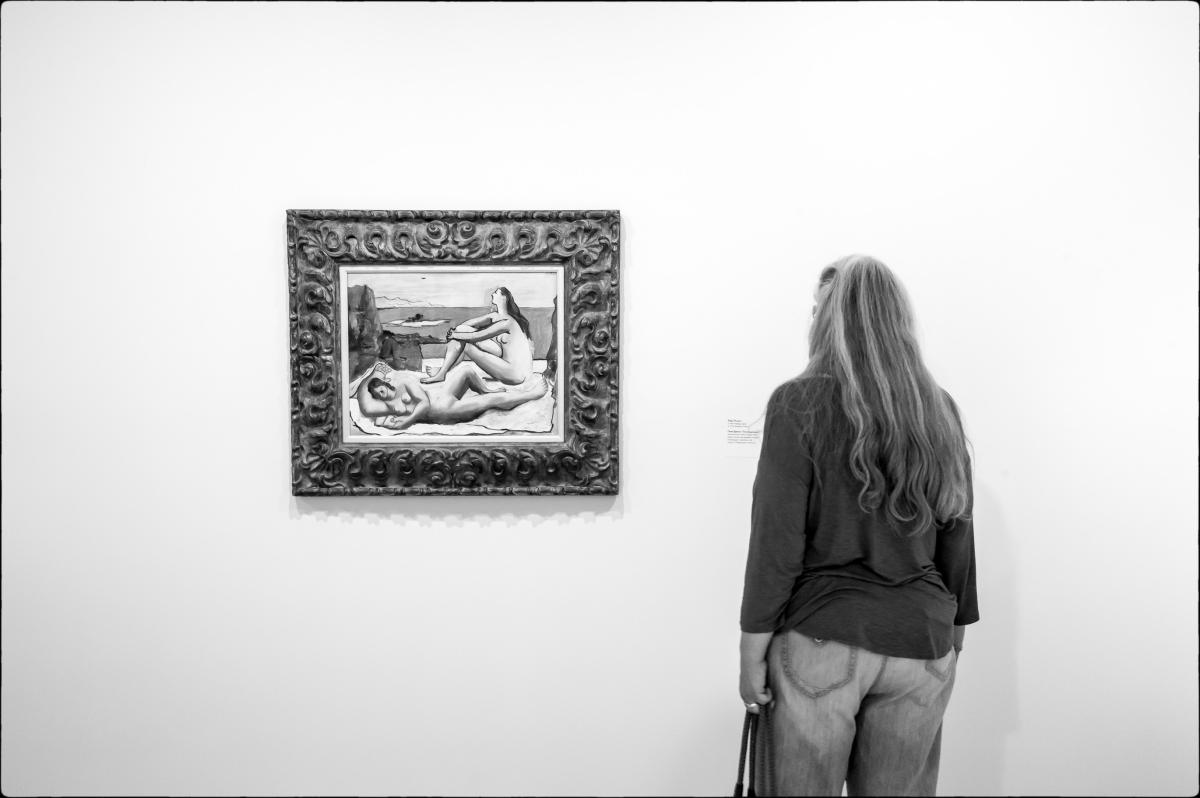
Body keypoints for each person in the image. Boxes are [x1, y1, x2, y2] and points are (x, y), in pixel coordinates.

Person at [739, 255, 978, 797]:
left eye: (818, 308)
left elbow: (776, 539)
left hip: (823, 637)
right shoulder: (938, 408)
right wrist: (953, 633)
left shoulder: (797, 402)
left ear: (831, 319)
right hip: (923, 643)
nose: (812, 318)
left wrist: (751, 649)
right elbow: (958, 528)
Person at [356, 361, 546, 431]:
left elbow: (423, 402)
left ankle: (485, 389)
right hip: (445, 411)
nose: (382, 396)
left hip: (443, 397)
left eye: (382, 391)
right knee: (491, 401)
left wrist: (407, 420)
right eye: (379, 396)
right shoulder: (388, 407)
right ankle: (532, 394)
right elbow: (366, 407)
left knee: (466, 369)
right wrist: (402, 420)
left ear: (386, 384)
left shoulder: (404, 382)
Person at [421, 287, 534, 385]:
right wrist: (457, 331)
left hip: (514, 373)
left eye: (496, 293)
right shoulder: (496, 317)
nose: (492, 294)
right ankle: (442, 371)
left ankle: (442, 372)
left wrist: (455, 334)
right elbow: (468, 324)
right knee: (461, 332)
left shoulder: (507, 322)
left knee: (464, 343)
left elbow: (479, 335)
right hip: (515, 370)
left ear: (504, 298)